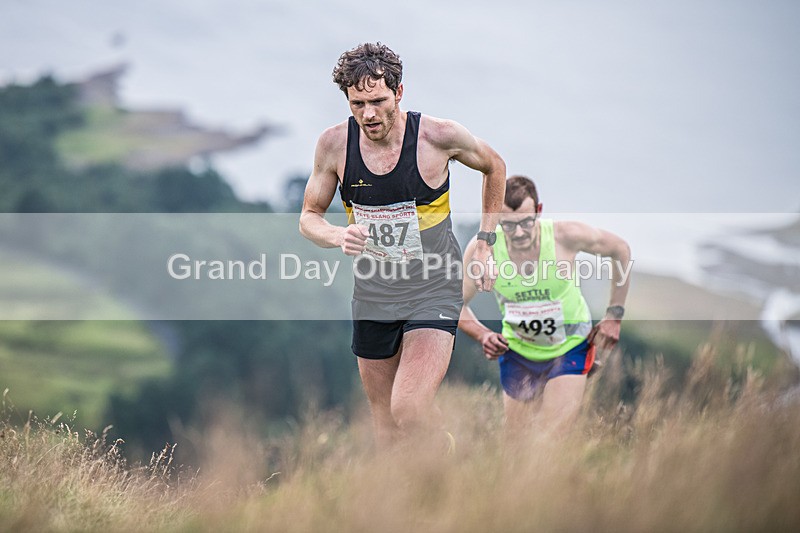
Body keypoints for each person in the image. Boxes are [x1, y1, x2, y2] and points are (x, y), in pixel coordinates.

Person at [299, 42, 506, 449]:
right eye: (357, 103)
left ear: (399, 92)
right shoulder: (333, 145)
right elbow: (309, 217)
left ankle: (449, 452)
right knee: (385, 426)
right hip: (374, 293)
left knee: (408, 408)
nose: (368, 114)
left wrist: (484, 242)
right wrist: (338, 235)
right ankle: (409, 500)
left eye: (377, 100)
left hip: (434, 287)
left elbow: (494, 166)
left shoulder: (437, 136)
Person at [458, 175, 631, 437]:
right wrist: (483, 335)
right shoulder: (483, 249)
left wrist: (613, 315)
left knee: (552, 438)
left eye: (526, 223)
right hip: (518, 351)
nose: (518, 233)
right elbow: (452, 303)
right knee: (517, 444)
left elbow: (620, 249)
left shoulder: (565, 236)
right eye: (508, 225)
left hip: (570, 346)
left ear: (539, 212)